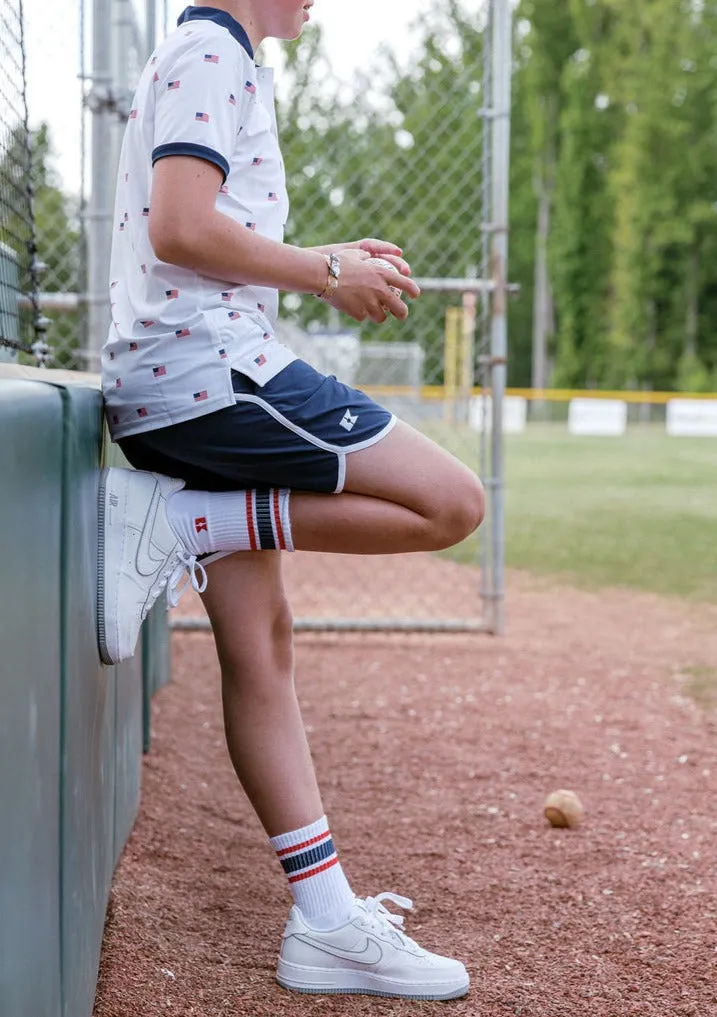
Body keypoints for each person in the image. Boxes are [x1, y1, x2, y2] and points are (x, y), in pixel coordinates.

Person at [99, 0, 485, 1001]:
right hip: (208, 379)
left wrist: (321, 258)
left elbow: (202, 229)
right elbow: (180, 226)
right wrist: (325, 272)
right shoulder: (210, 49)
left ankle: (323, 920)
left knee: (262, 642)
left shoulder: (220, 56)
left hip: (194, 377)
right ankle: (186, 524)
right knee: (451, 503)